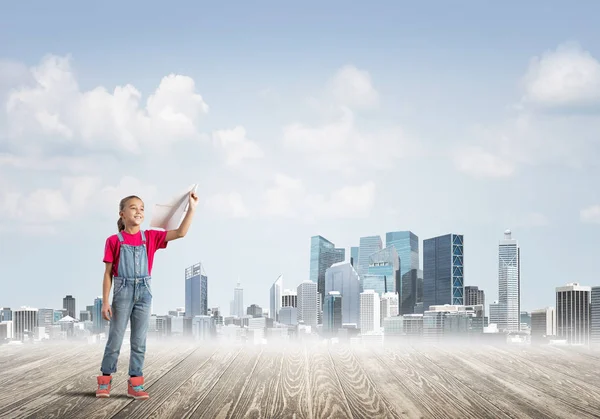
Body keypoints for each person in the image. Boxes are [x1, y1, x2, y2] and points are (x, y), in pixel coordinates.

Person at [96, 191, 198, 399]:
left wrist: (192, 209)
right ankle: (105, 381)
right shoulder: (113, 241)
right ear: (122, 214)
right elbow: (107, 274)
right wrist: (105, 302)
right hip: (122, 293)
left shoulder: (151, 237)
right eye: (133, 207)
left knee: (139, 341)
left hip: (144, 294)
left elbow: (180, 233)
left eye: (142, 208)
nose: (139, 211)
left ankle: (135, 383)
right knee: (115, 338)